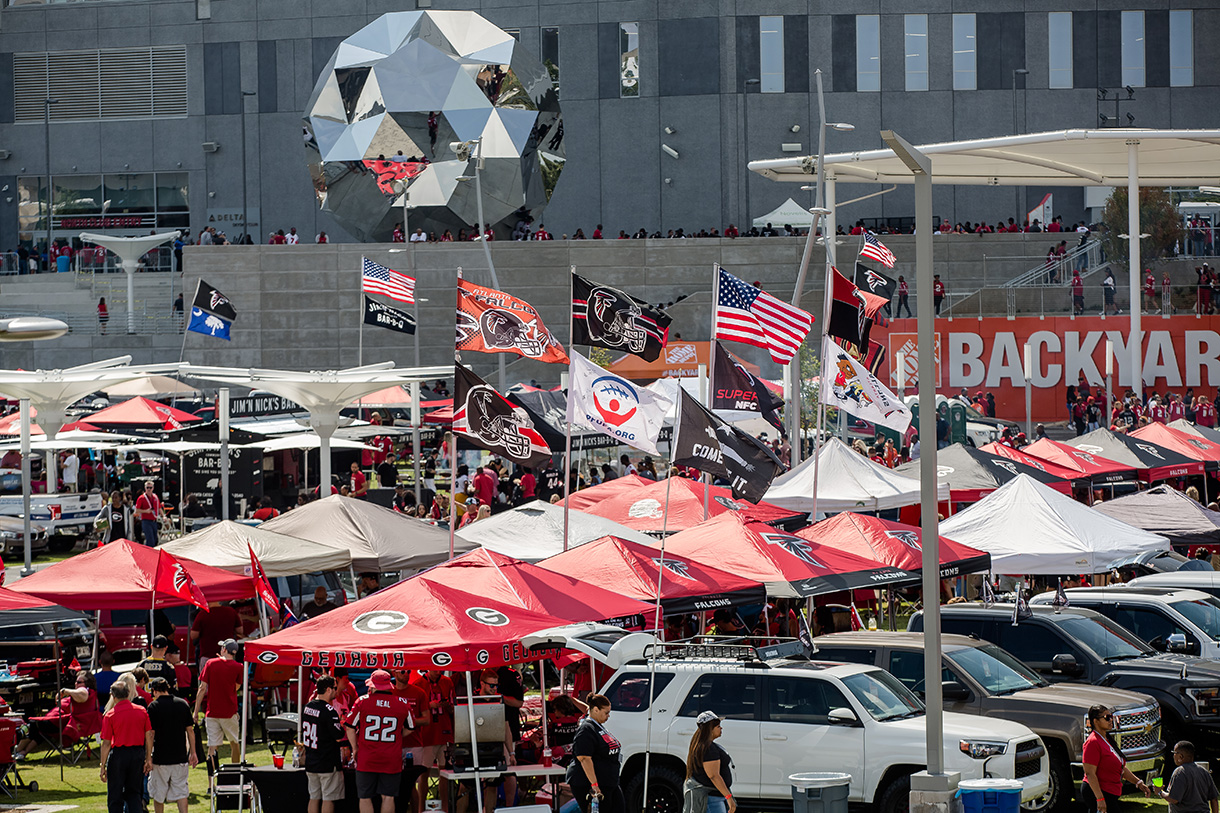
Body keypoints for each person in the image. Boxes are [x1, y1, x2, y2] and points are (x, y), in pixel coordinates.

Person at [345, 670, 416, 813]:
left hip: (367, 757)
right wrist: (397, 735)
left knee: (365, 797)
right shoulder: (402, 703)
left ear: (373, 685)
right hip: (391, 757)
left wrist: (355, 748)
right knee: (388, 797)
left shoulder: (362, 701)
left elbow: (350, 727)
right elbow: (411, 728)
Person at [1082, 704, 1150, 813]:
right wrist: (1100, 799)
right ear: (1095, 721)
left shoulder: (1107, 739)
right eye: (1107, 717)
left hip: (1110, 793)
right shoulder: (1092, 742)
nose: (1111, 720)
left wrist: (1138, 783)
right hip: (1098, 793)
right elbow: (1090, 773)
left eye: (1111, 717)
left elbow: (1120, 768)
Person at [100, 681, 153, 813]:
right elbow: (149, 735)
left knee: (115, 795)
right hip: (137, 753)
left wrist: (102, 765)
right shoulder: (141, 711)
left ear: (113, 696)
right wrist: (148, 758)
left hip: (119, 754)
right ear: (128, 693)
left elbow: (106, 743)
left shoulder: (111, 715)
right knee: (134, 793)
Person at [147, 677, 196, 813]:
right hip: (180, 756)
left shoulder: (153, 706)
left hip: (161, 757)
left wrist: (148, 757)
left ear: (155, 691)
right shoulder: (182, 704)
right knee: (181, 792)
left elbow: (151, 734)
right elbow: (190, 731)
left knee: (158, 793)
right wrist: (193, 752)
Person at [567, 694, 622, 813]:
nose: (609, 716)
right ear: (596, 710)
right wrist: (594, 785)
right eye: (606, 712)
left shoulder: (598, 727)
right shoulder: (586, 729)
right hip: (592, 784)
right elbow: (584, 758)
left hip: (609, 782)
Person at [194, 639, 244, 765]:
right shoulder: (239, 667)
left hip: (212, 711)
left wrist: (195, 712)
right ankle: (235, 773)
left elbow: (202, 688)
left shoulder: (211, 663)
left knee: (212, 747)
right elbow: (236, 687)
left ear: (224, 650)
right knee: (234, 743)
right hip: (229, 711)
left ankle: (211, 779)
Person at [303, 675, 347, 813]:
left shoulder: (308, 706)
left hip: (311, 761)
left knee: (314, 797)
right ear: (328, 689)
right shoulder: (329, 711)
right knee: (328, 799)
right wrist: (343, 724)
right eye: (334, 688)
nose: (336, 691)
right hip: (327, 762)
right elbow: (339, 736)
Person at [685, 711, 735, 813]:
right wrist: (729, 797)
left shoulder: (705, 745)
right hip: (711, 800)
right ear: (710, 729)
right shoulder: (708, 749)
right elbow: (713, 776)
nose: (721, 728)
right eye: (718, 726)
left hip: (713, 797)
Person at [1158, 740, 1219, 813]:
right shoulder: (1204, 771)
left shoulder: (1180, 772)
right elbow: (1214, 799)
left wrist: (1160, 792)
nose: (1173, 756)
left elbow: (1174, 799)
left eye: (1174, 753)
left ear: (1181, 756)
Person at [190, 601, 242, 669]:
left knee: (207, 679)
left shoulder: (202, 614)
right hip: (228, 656)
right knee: (228, 678)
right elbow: (240, 631)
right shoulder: (231, 611)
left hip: (208, 655)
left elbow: (193, 635)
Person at [135, 481, 163, 546]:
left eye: (150, 487)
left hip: (154, 521)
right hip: (146, 521)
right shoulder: (141, 498)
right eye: (147, 487)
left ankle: (147, 551)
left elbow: (159, 508)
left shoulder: (155, 497)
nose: (149, 489)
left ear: (153, 488)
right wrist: (146, 511)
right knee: (150, 540)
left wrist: (163, 516)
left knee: (155, 539)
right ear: (145, 488)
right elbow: (137, 510)